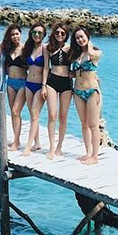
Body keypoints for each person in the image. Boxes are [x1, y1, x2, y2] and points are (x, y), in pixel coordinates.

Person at [69, 26, 103, 165]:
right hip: (78, 91)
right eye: (77, 37)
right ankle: (88, 152)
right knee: (84, 123)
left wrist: (88, 43)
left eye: (82, 36)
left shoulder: (96, 52)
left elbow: (91, 53)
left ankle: (95, 156)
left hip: (92, 92)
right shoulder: (75, 54)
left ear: (87, 36)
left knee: (93, 125)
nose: (80, 39)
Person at [44, 22, 72, 159]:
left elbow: (83, 59)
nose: (60, 35)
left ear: (66, 35)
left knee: (63, 117)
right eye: (57, 32)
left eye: (63, 33)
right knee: (52, 114)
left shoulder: (71, 48)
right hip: (52, 82)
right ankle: (51, 147)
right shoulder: (48, 48)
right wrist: (43, 85)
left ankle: (60, 146)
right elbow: (45, 67)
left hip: (66, 83)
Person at [21, 22, 47, 156]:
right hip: (28, 84)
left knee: (35, 114)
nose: (37, 35)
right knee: (32, 115)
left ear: (44, 35)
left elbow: (46, 68)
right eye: (34, 32)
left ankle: (28, 146)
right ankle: (37, 143)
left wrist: (44, 86)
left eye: (40, 33)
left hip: (39, 86)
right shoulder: (28, 48)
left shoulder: (45, 48)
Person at [1, 23, 27, 150]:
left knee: (16, 111)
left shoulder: (25, 49)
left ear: (21, 34)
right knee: (13, 112)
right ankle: (16, 139)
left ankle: (16, 141)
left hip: (23, 83)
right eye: (12, 34)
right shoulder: (7, 49)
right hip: (10, 82)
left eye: (17, 34)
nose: (15, 36)